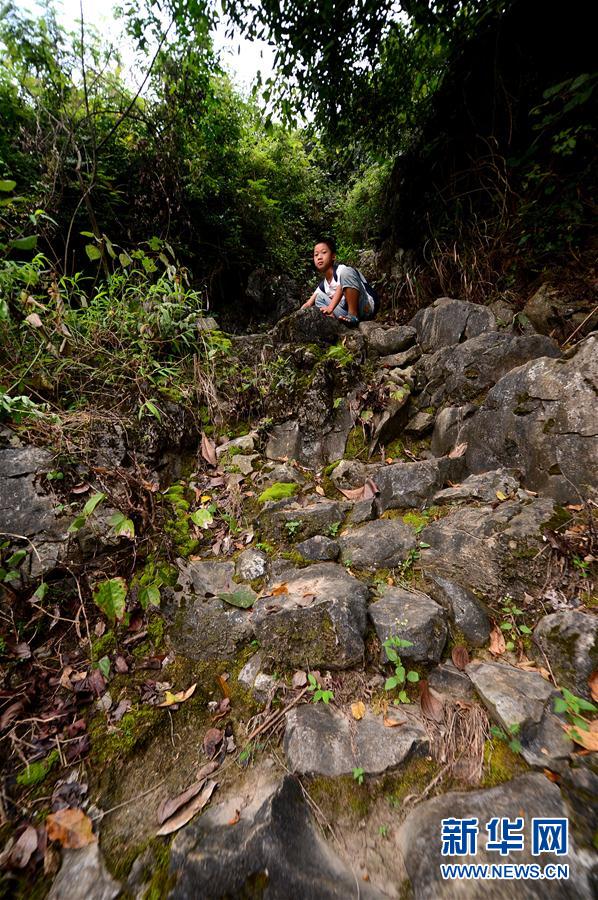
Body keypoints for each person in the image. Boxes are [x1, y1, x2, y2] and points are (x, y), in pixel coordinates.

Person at [301, 237, 375, 326]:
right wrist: (296, 317)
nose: (319, 257)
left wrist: (330, 307)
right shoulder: (323, 285)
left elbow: (340, 288)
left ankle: (353, 315)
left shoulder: (341, 270)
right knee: (319, 298)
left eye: (324, 252)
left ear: (333, 256)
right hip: (344, 312)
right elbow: (308, 303)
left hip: (365, 308)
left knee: (347, 272)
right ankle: (333, 322)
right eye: (316, 255)